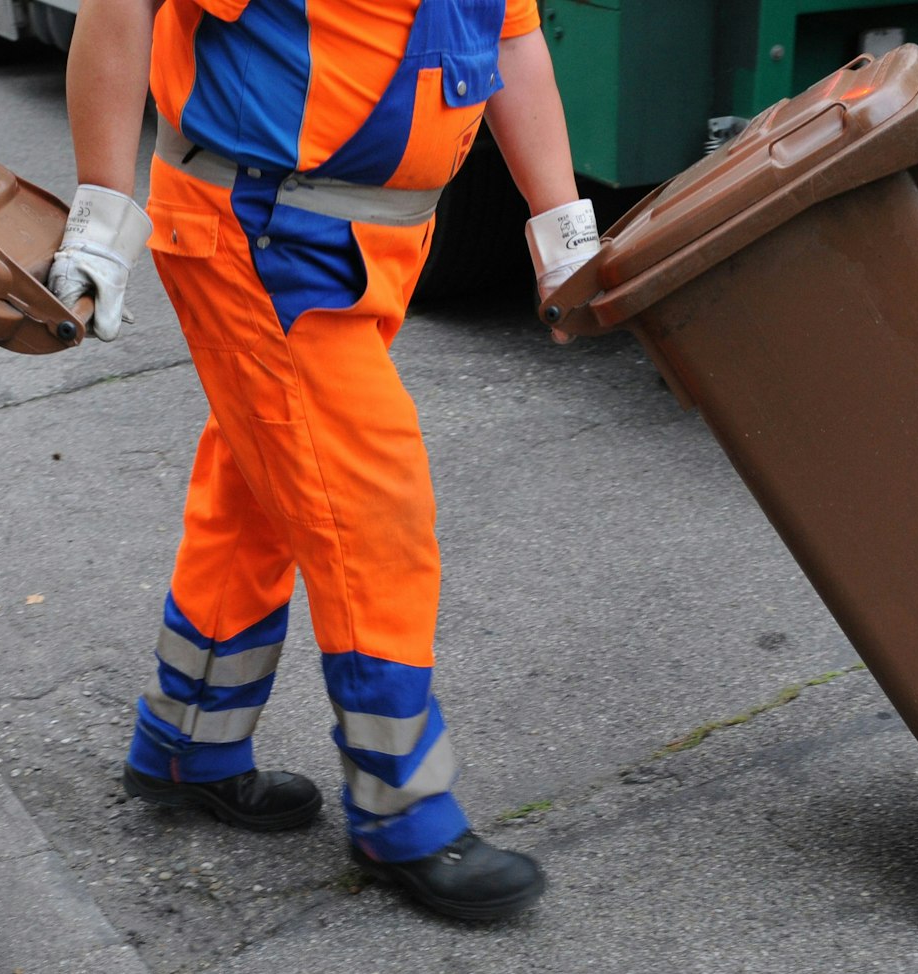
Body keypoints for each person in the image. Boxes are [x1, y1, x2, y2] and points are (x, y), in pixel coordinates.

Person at [48, 0, 597, 921]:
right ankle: (405, 812)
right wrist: (102, 216)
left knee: (263, 487)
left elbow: (512, 41)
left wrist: (562, 231)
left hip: (360, 244)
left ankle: (188, 743)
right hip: (263, 237)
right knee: (371, 512)